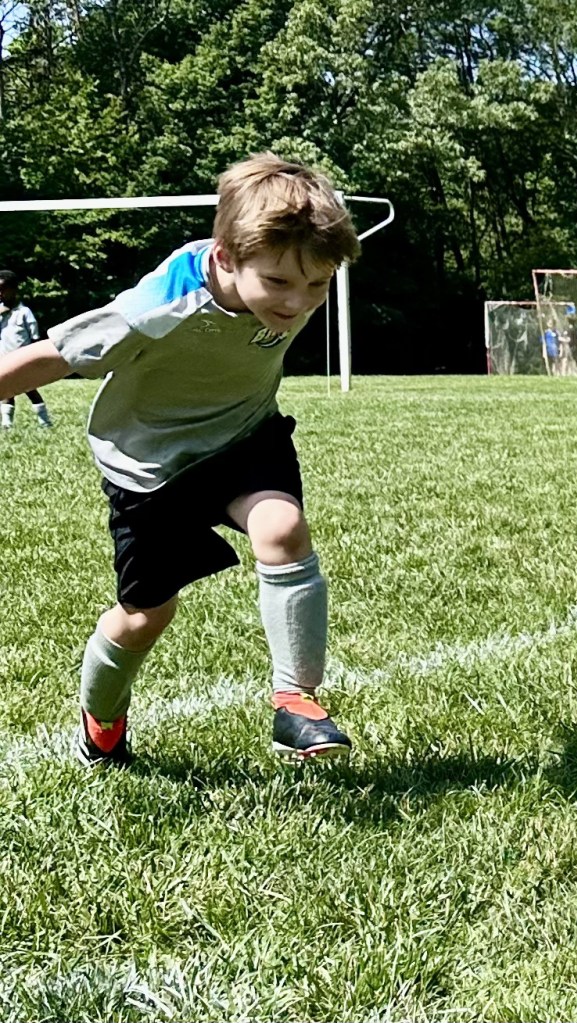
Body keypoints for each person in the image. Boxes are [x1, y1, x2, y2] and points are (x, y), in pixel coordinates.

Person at [0, 152, 361, 766]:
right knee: (145, 617)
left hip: (244, 436)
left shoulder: (285, 267)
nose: (298, 302)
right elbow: (55, 356)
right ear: (226, 258)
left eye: (317, 286)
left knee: (282, 528)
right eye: (279, 283)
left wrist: (289, 281)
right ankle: (101, 722)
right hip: (149, 466)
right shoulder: (158, 306)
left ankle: (295, 700)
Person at [0, 270, 53, 428]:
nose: (0, 293)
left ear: (14, 290)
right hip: (5, 358)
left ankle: (45, 421)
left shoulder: (24, 312)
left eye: (3, 289)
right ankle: (7, 424)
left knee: (29, 389)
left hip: (23, 358)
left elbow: (35, 337)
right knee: (6, 390)